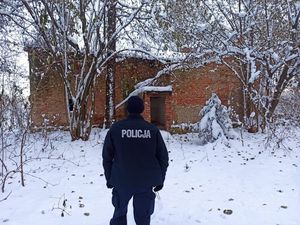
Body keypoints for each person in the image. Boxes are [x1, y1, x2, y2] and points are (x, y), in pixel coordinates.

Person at [102, 95, 169, 225]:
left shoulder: (116, 129)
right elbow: (163, 158)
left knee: (119, 216)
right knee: (143, 218)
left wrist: (109, 177)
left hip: (121, 180)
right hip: (146, 182)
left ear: (127, 109)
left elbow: (107, 157)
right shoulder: (152, 130)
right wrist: (160, 179)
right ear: (142, 109)